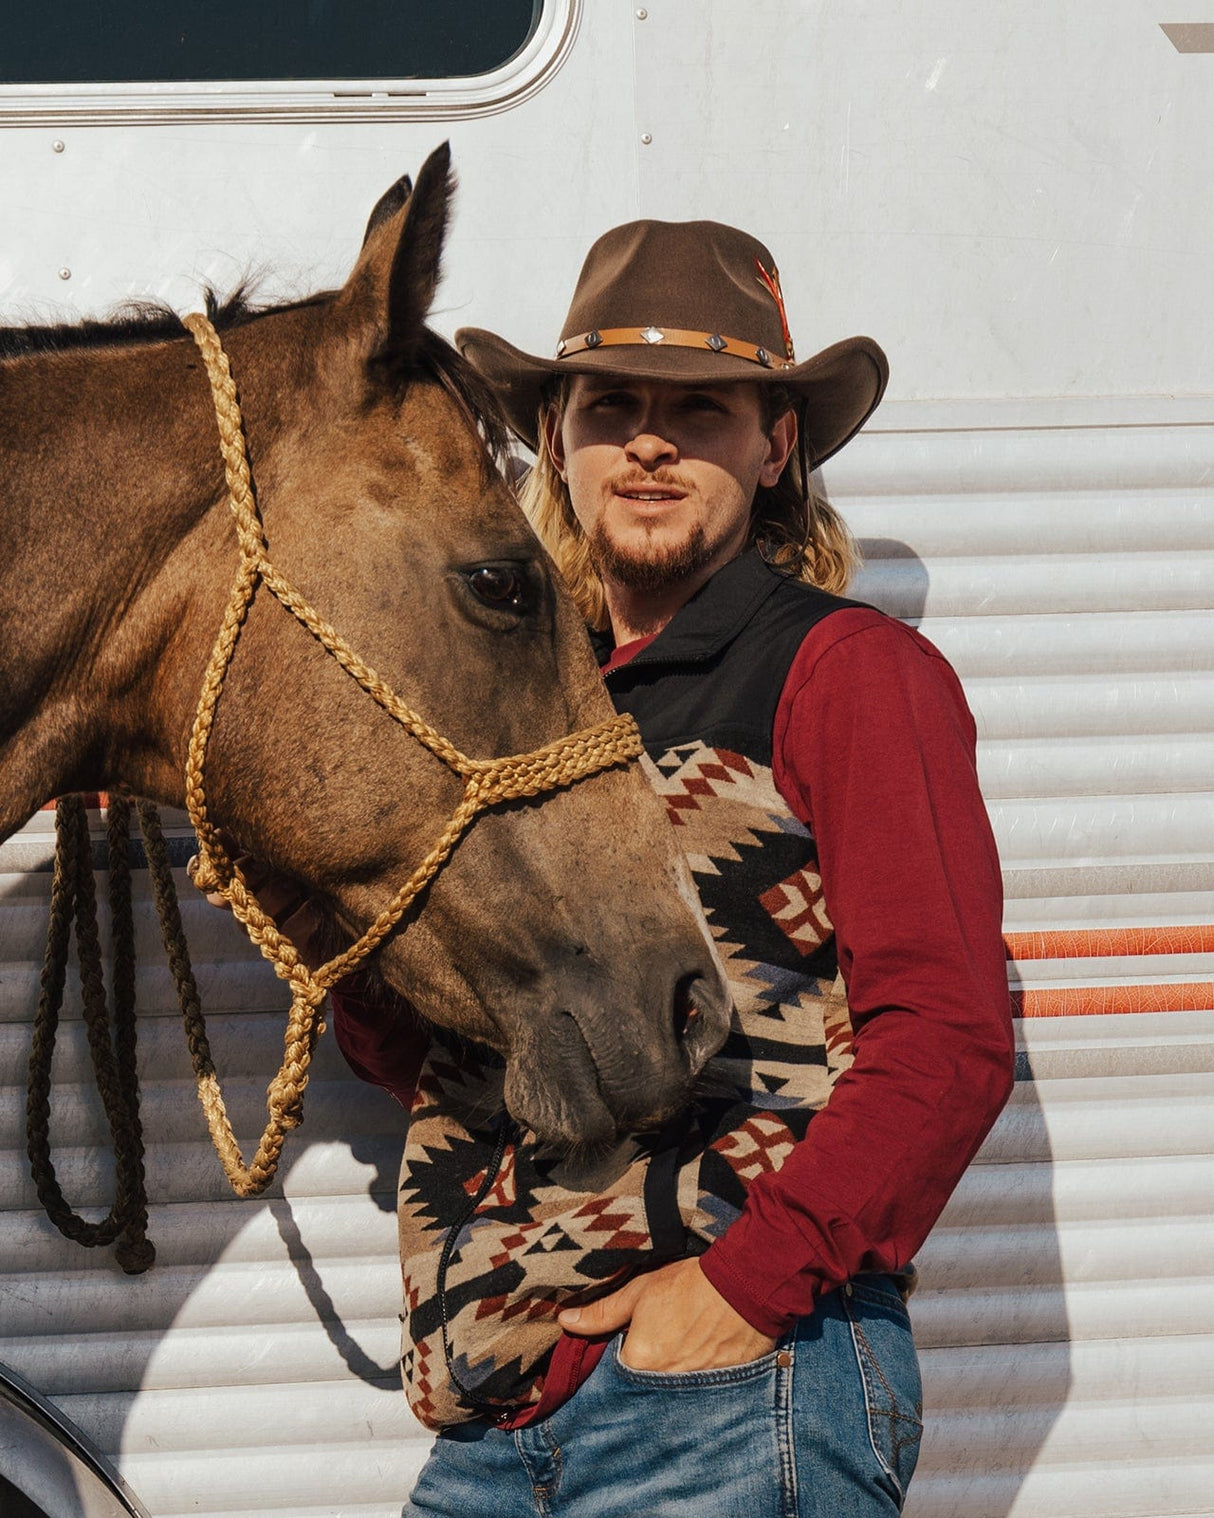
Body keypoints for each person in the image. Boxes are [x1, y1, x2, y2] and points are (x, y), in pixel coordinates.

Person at [264, 219, 1015, 1516]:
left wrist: (733, 1293)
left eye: (702, 409)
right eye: (611, 404)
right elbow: (434, 1064)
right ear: (554, 435)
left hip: (737, 1376)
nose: (651, 442)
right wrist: (290, 882)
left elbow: (945, 1040)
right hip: (515, 1400)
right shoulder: (520, 724)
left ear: (774, 445)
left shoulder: (842, 673)